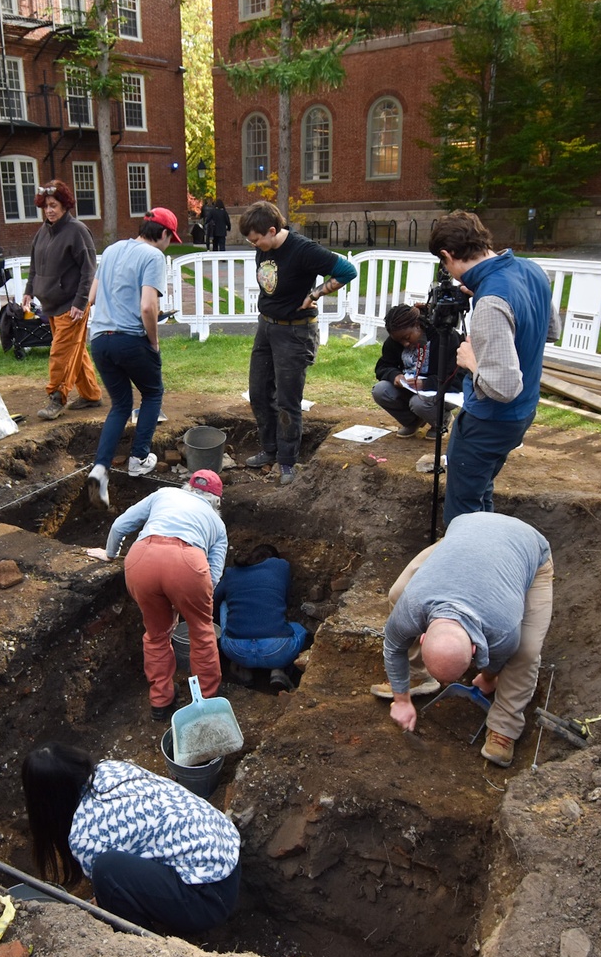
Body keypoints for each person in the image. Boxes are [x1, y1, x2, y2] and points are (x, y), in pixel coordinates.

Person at [374, 512, 553, 768]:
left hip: (527, 550)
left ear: (476, 648)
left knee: (526, 650)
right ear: (422, 637)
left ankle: (505, 725)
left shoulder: (502, 629)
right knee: (397, 593)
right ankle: (415, 674)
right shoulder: (412, 607)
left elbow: (499, 660)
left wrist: (489, 678)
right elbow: (393, 647)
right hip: (465, 533)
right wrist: (401, 701)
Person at [22, 741, 240, 935]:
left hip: (209, 900)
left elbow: (112, 877)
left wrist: (108, 897)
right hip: (227, 851)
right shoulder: (110, 768)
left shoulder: (84, 835)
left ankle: (144, 947)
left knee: (106, 871)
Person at [428, 211, 557, 526]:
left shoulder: (491, 303)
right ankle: (490, 544)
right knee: (481, 486)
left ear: (448, 255)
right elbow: (550, 330)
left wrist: (471, 360)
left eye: (444, 264)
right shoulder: (532, 270)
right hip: (525, 411)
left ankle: (467, 565)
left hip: (491, 420)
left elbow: (503, 387)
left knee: (463, 508)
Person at [87, 471, 227, 720]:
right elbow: (214, 575)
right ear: (216, 500)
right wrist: (192, 600)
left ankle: (161, 703)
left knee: (157, 636)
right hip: (188, 562)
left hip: (141, 558)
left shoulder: (164, 494)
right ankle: (204, 703)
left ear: (188, 487)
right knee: (202, 633)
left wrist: (110, 554)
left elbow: (120, 525)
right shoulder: (217, 524)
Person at [238, 201, 357, 486]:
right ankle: (269, 449)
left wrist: (316, 293)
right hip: (266, 327)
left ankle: (287, 461)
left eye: (255, 239)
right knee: (258, 391)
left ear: (271, 230)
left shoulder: (303, 249)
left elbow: (347, 270)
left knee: (287, 400)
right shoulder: (263, 246)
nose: (253, 245)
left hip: (295, 332)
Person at [82, 207, 180, 509]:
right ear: (162, 234)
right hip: (129, 340)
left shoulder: (112, 249)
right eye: (170, 239)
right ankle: (138, 458)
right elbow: (148, 308)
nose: (168, 244)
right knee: (152, 392)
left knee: (121, 404)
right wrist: (154, 342)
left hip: (99, 341)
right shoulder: (153, 257)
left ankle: (100, 469)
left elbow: (93, 297)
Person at [22, 179, 101, 420]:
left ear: (65, 205)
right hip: (51, 305)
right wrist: (29, 290)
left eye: (54, 205)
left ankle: (57, 397)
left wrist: (80, 302)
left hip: (72, 305)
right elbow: (35, 265)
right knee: (75, 350)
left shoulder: (77, 231)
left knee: (61, 352)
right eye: (46, 206)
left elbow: (89, 270)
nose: (49, 210)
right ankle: (91, 395)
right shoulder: (43, 232)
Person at [213, 544, 308, 691]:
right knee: (300, 629)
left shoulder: (231, 573)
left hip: (236, 650)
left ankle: (243, 669)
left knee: (225, 602)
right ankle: (279, 670)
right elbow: (284, 600)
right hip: (278, 650)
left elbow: (214, 600)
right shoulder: (282, 567)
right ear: (274, 558)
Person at [372, 303, 458, 439]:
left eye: (407, 338)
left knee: (418, 402)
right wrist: (395, 376)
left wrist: (427, 384)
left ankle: (442, 421)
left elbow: (456, 377)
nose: (405, 344)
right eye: (400, 341)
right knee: (380, 390)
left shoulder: (444, 337)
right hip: (411, 389)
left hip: (443, 391)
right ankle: (413, 421)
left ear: (418, 325)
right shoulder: (396, 341)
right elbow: (383, 366)